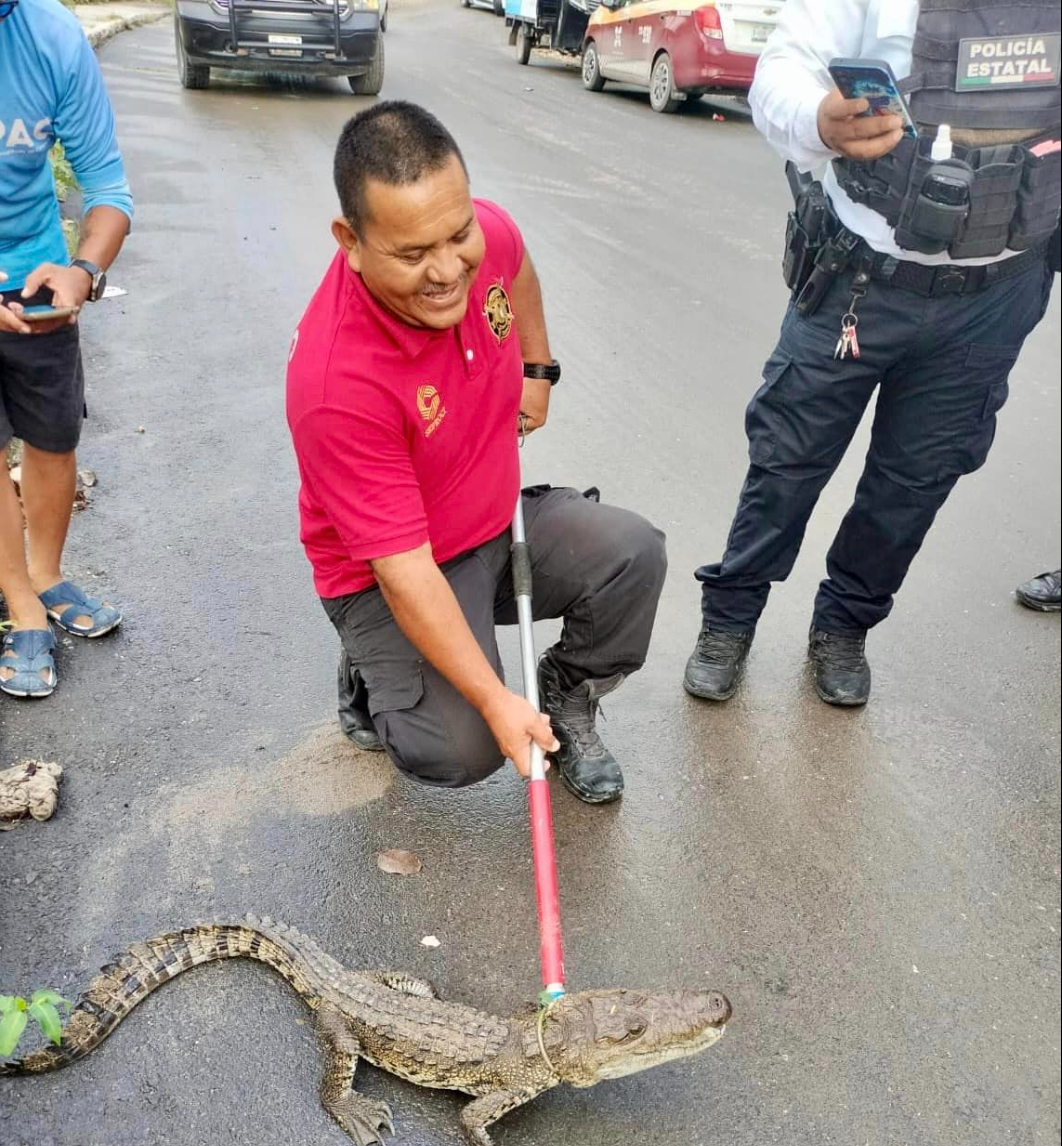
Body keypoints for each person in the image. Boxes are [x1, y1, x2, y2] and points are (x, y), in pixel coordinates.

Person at [287, 103, 666, 803]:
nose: (447, 271)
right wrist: (495, 701)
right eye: (411, 255)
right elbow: (405, 573)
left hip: (491, 521)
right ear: (352, 240)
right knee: (461, 748)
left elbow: (513, 262)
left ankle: (568, 697)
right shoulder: (334, 384)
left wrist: (536, 367)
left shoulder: (477, 234)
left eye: (456, 236)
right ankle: (373, 667)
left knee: (633, 554)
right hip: (394, 573)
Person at [684, 0, 1059, 708]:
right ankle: (730, 619)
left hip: (997, 294)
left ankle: (844, 627)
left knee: (913, 484)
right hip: (862, 278)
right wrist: (818, 121)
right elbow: (782, 71)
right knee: (787, 462)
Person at [1, 0, 131, 699]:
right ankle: (20, 602)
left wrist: (81, 272)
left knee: (54, 439)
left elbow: (108, 189)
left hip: (37, 274)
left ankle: (45, 573)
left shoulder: (51, 37)